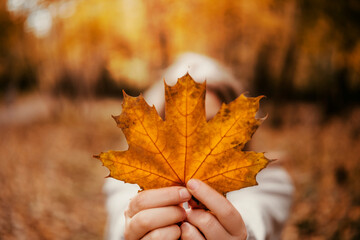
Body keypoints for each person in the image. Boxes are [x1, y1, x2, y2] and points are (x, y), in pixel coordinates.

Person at [103, 53, 294, 240]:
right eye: (180, 127)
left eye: (210, 127)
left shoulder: (270, 179)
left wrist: (243, 232)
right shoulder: (128, 179)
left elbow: (256, 214)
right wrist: (133, 230)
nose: (194, 147)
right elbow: (121, 214)